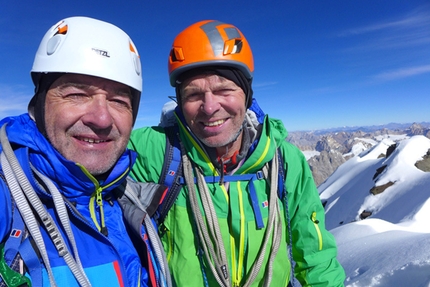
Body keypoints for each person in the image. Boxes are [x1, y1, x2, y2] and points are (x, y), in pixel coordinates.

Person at [128, 20, 346, 286]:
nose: (209, 108)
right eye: (193, 94)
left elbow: (315, 258)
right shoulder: (154, 153)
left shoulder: (284, 161)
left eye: (223, 90)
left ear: (247, 94)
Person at [0, 16, 170, 287]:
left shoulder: (127, 202)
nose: (101, 119)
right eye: (77, 94)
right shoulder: (8, 193)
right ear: (39, 104)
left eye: (118, 100)